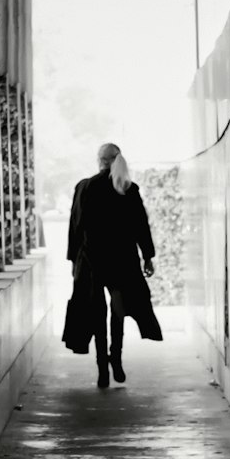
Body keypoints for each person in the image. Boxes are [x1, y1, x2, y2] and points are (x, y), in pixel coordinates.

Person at [63, 142, 162, 388]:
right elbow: (141, 225)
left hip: (91, 262)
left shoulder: (85, 187)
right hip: (122, 262)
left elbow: (76, 227)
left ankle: (102, 370)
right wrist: (147, 256)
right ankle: (115, 360)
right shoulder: (128, 188)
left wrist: (73, 261)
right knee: (118, 313)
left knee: (97, 314)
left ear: (100, 160)